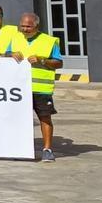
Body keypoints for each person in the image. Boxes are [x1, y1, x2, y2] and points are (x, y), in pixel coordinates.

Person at [7, 12, 62, 162]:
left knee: (45, 118)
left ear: (36, 26)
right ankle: (19, 149)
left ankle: (47, 149)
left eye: (28, 27)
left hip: (41, 89)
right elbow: (5, 56)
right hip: (19, 89)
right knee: (18, 119)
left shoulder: (49, 41)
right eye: (22, 26)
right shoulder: (15, 38)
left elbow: (59, 63)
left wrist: (42, 60)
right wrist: (11, 54)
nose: (24, 29)